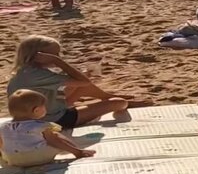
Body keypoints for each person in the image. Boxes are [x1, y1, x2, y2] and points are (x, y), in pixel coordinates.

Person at [6, 35, 141, 129]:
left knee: (81, 88)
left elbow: (75, 85)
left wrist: (78, 78)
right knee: (119, 103)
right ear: (39, 56)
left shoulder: (25, 71)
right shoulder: (38, 75)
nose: (57, 57)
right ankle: (120, 101)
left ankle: (109, 97)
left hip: (46, 110)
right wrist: (58, 62)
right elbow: (84, 82)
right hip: (53, 120)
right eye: (54, 55)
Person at [1, 90, 95, 167]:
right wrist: (77, 152)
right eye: (44, 106)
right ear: (36, 110)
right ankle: (77, 150)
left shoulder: (2, 126)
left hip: (13, 160)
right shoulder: (40, 125)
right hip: (37, 157)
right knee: (55, 135)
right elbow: (54, 141)